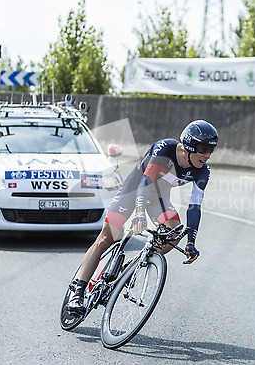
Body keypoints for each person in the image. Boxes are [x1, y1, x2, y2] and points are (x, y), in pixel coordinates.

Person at [66, 119, 219, 316]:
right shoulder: (165, 149)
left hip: (158, 198)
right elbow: (145, 183)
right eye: (204, 149)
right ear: (189, 145)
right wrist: (138, 214)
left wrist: (191, 242)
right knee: (106, 238)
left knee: (174, 234)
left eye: (211, 151)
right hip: (134, 191)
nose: (207, 155)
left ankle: (133, 265)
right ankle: (77, 292)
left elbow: (195, 206)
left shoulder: (202, 171)